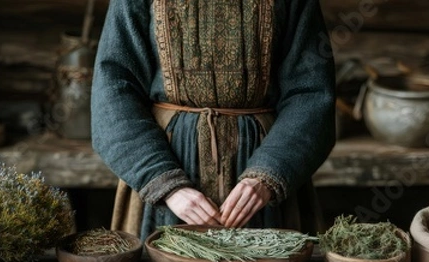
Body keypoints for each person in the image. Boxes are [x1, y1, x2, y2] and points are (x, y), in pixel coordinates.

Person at [91, 0, 335, 240]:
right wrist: (165, 185)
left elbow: (310, 92)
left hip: (263, 183)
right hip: (163, 173)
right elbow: (114, 89)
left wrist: (268, 176)